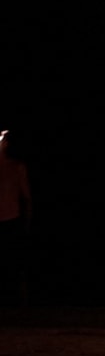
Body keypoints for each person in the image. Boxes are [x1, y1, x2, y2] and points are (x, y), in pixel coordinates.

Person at [0, 130, 32, 307]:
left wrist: (28, 219)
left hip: (11, 219)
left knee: (12, 262)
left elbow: (26, 196)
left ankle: (16, 301)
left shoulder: (17, 167)